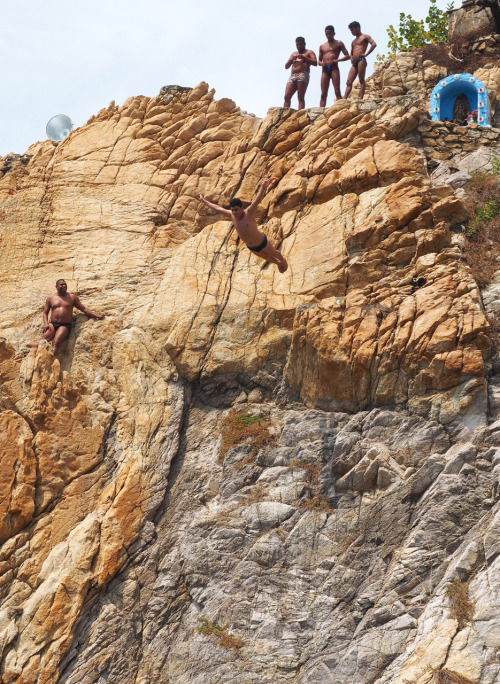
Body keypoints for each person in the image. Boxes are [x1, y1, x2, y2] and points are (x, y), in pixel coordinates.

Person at [198, 178, 288, 273]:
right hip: (251, 246)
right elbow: (217, 208)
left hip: (261, 241)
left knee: (273, 252)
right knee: (265, 256)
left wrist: (263, 187)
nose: (234, 212)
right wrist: (203, 201)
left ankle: (282, 260)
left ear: (242, 208)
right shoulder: (232, 215)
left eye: (236, 209)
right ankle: (277, 263)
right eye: (232, 210)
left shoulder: (248, 212)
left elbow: (257, 200)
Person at [27, 279, 105, 354]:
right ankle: (35, 346)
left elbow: (84, 309)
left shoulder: (72, 297)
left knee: (56, 343)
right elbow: (45, 312)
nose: (64, 286)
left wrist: (97, 316)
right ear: (56, 287)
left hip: (64, 325)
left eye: (65, 284)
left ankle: (52, 359)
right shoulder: (50, 298)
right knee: (46, 337)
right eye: (61, 284)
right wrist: (46, 323)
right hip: (52, 324)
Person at [338, 21, 377, 100]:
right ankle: (344, 98)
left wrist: (366, 54)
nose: (351, 31)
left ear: (358, 28)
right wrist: (351, 57)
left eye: (352, 29)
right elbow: (351, 52)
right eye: (350, 30)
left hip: (361, 60)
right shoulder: (353, 41)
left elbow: (373, 44)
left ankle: (360, 98)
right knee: (349, 81)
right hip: (355, 62)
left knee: (361, 79)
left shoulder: (364, 36)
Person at [318, 25, 349, 105]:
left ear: (334, 33)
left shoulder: (338, 43)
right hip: (325, 69)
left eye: (330, 34)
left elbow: (347, 56)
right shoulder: (322, 46)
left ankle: (340, 107)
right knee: (323, 93)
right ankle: (321, 110)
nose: (328, 35)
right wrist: (321, 63)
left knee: (337, 90)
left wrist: (337, 60)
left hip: (334, 67)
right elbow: (319, 61)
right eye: (326, 34)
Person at [284, 37, 317, 110]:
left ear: (304, 44)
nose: (299, 46)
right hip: (293, 76)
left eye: (300, 44)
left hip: (303, 74)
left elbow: (315, 62)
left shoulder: (309, 52)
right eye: (297, 45)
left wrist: (304, 57)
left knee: (300, 96)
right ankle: (284, 114)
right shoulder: (293, 54)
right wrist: (291, 60)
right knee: (287, 96)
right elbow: (286, 66)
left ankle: (300, 114)